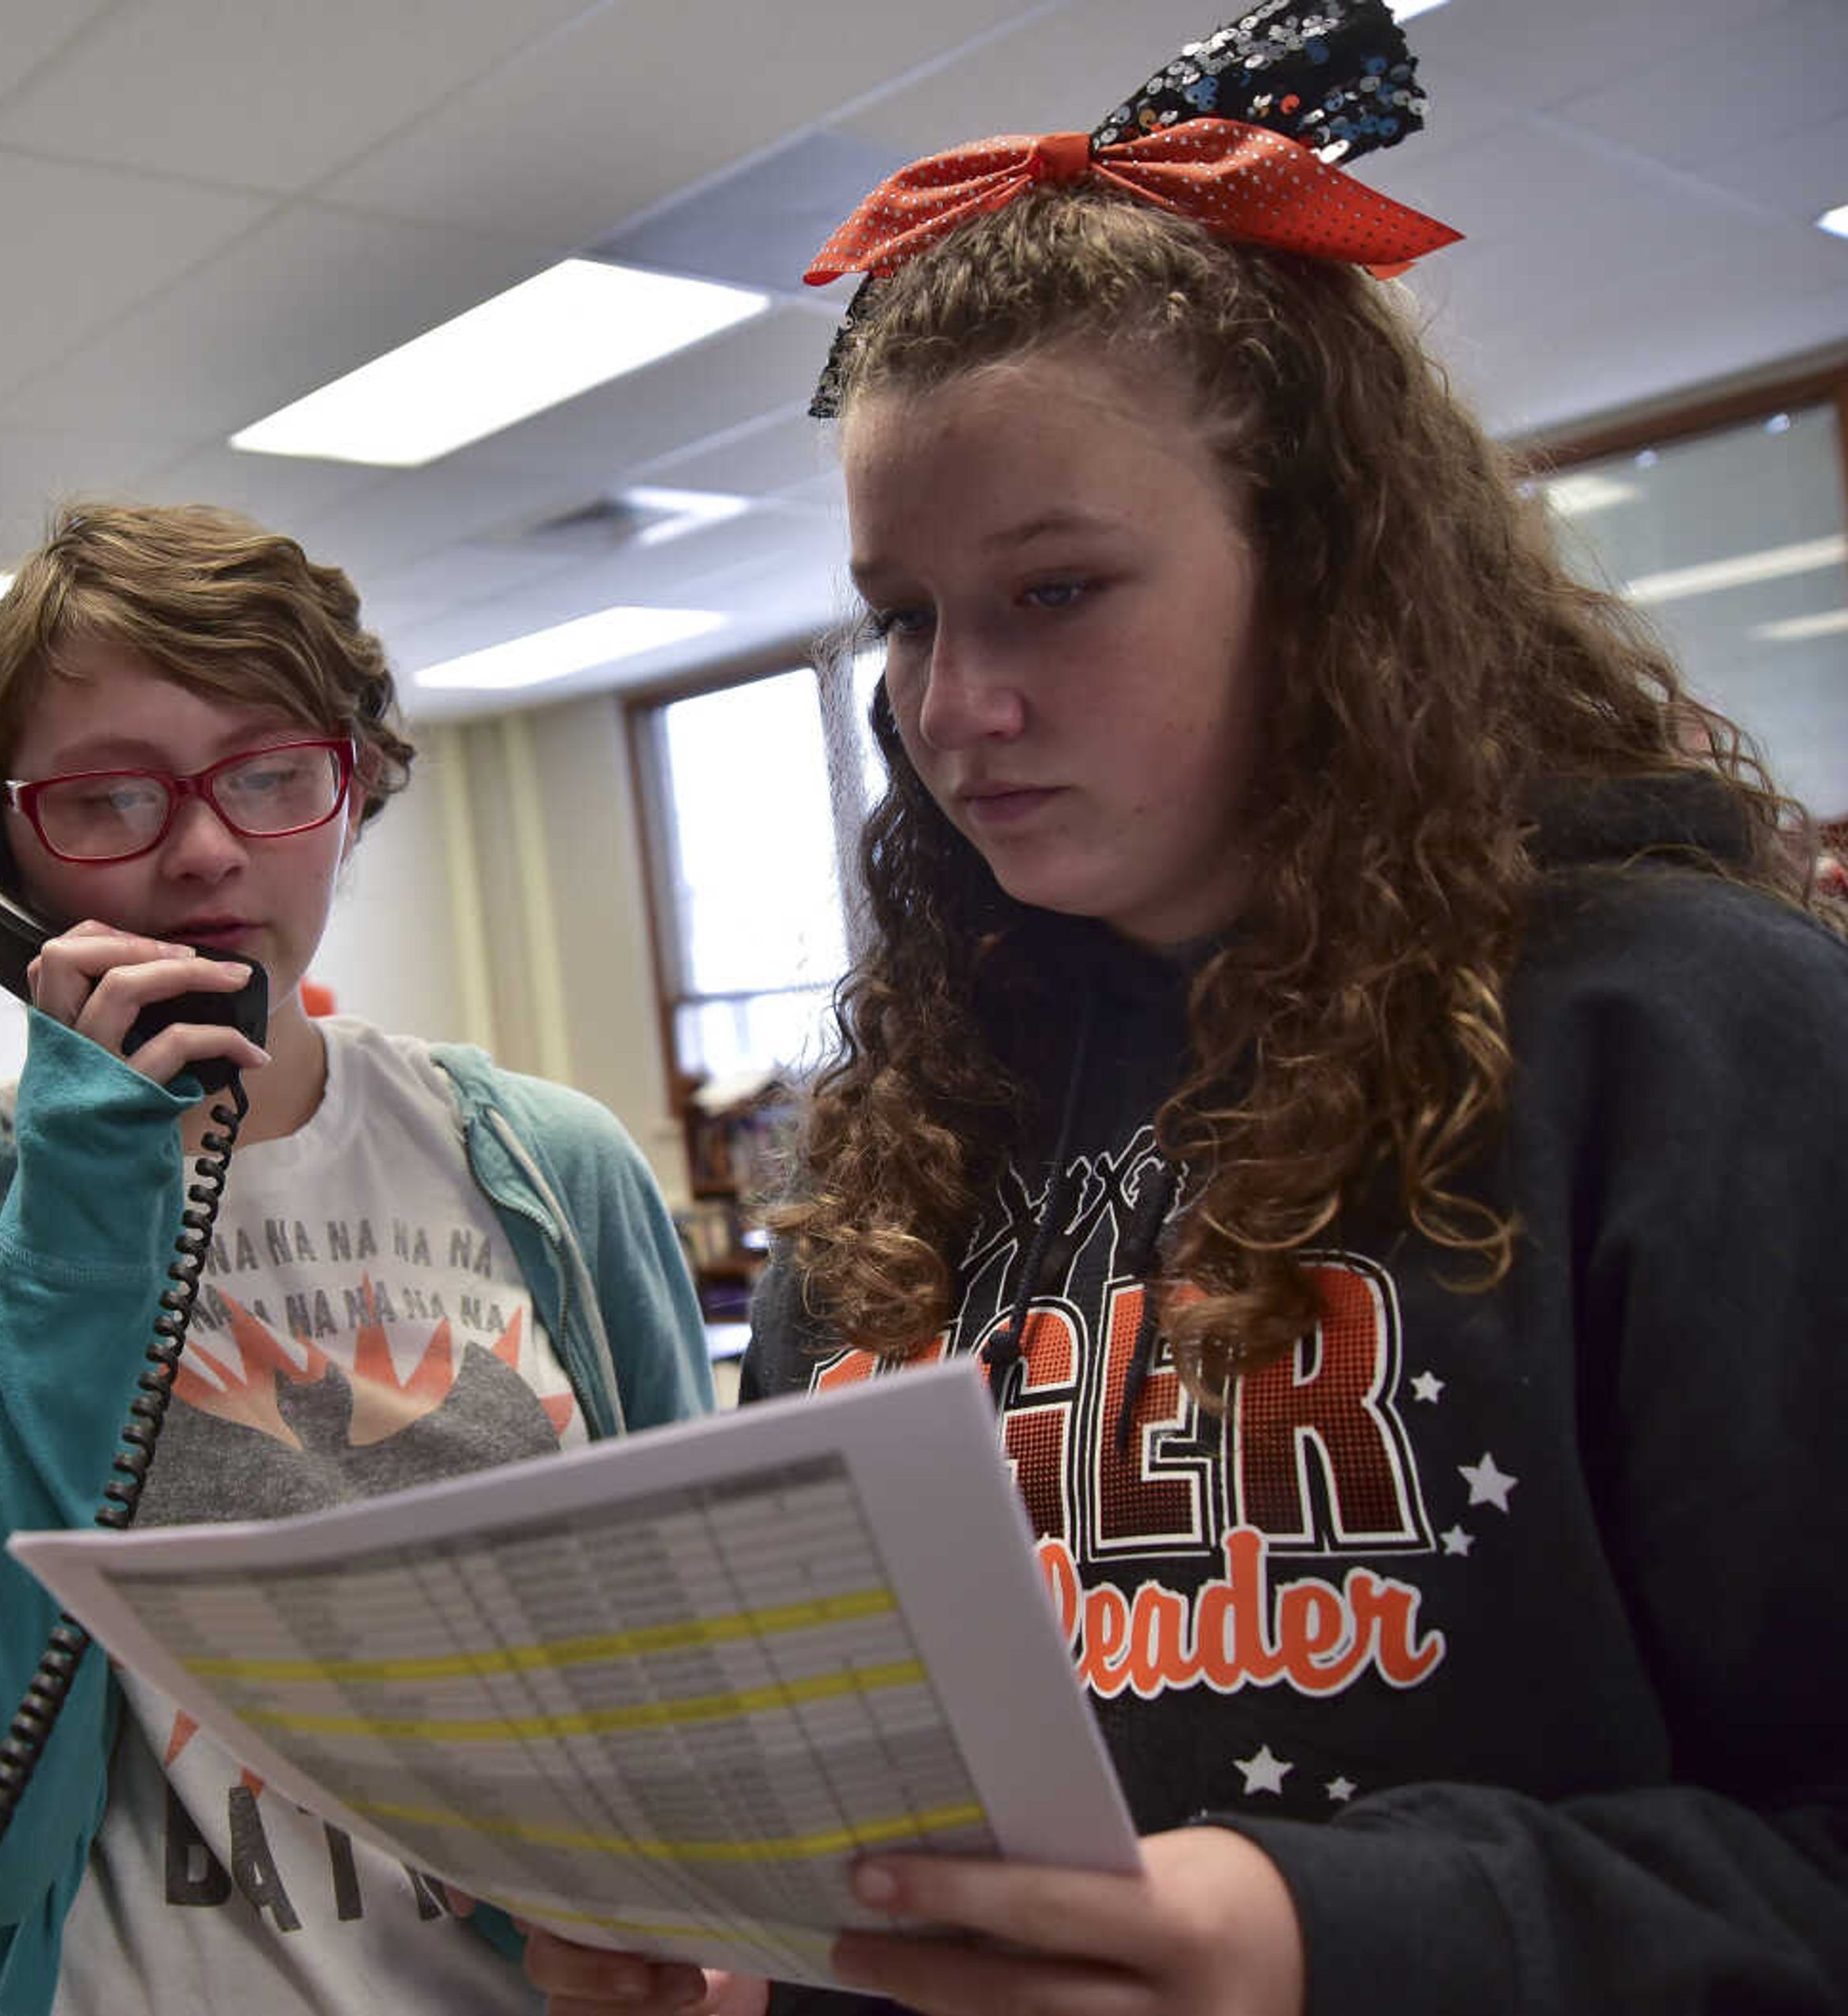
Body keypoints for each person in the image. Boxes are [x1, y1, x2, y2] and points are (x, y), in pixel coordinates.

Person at [528, 4, 1848, 2012]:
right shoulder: (911, 1119)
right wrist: (742, 1954)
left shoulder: (1683, 1032)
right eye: (900, 615)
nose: (948, 706)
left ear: (1316, 571)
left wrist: (1324, 1934)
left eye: (1055, 591)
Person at [0, 501, 716, 2016]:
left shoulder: (553, 1166)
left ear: (352, 794)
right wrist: (84, 1228)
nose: (207, 850)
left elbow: (715, 1690)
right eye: (107, 799)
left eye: (273, 774)